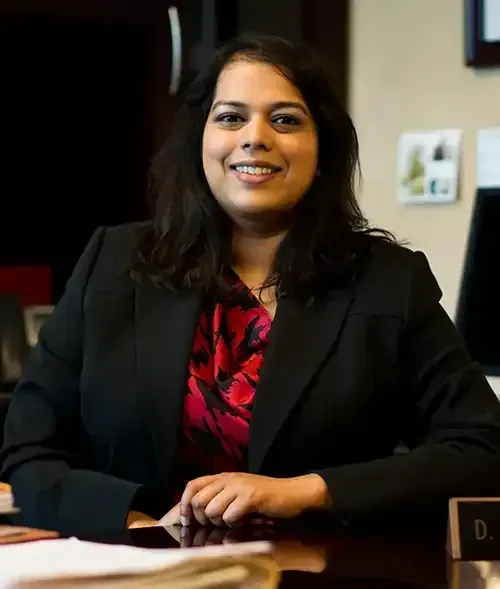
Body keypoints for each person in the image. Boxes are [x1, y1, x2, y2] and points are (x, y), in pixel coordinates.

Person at [1, 33, 500, 536]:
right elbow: (29, 450)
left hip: (323, 573)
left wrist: (304, 491)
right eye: (231, 117)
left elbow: (482, 449)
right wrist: (139, 527)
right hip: (131, 568)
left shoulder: (388, 282)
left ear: (321, 148)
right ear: (201, 141)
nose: (254, 136)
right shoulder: (113, 263)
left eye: (284, 120)